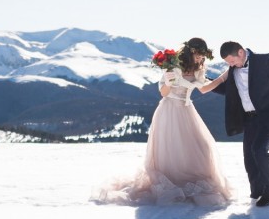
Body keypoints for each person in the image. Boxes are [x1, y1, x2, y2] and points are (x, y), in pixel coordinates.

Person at [94, 38, 232, 206]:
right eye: (198, 55)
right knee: (171, 146)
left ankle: (194, 176)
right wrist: (167, 80)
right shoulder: (173, 67)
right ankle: (173, 180)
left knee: (201, 145)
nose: (200, 59)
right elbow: (164, 93)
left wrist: (225, 76)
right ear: (190, 52)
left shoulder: (198, 70)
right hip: (169, 110)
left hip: (187, 110)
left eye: (203, 56)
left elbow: (204, 88)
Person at [211, 41, 269, 207]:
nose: (230, 65)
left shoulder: (265, 61)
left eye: (231, 61)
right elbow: (227, 90)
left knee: (259, 150)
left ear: (241, 52)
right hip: (250, 119)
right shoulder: (234, 69)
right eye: (228, 63)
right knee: (249, 157)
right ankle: (258, 191)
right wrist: (203, 82)